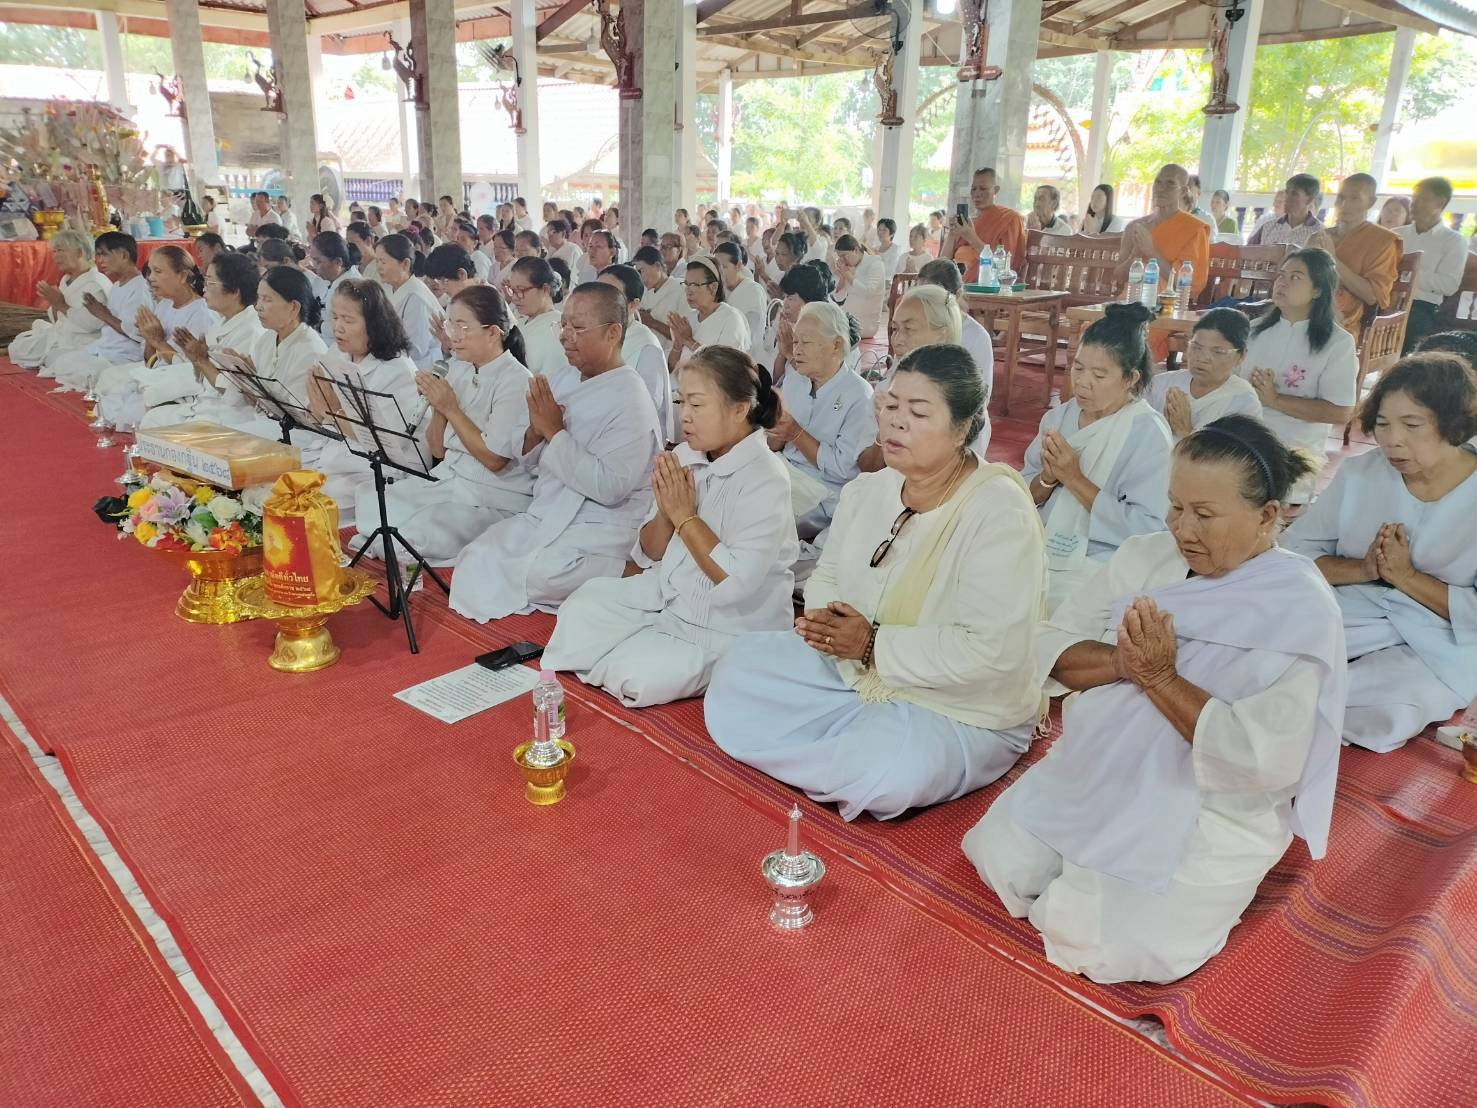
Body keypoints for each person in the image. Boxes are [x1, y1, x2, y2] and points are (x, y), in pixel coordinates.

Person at [964, 416, 1343, 985]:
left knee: (1108, 945)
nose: (1182, 528)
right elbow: (1049, 646)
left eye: (1205, 514)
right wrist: (1124, 664)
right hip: (1098, 767)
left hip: (1205, 802)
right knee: (997, 858)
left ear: (1268, 516)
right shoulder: (1145, 557)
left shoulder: (1300, 608)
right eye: (1175, 506)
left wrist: (1163, 680)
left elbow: (1264, 760)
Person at [708, 343, 1047, 820]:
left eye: (918, 413)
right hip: (853, 669)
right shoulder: (868, 490)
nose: (895, 422)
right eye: (890, 406)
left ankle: (842, 745)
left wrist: (873, 645)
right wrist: (830, 624)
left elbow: (993, 651)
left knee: (886, 774)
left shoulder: (999, 513)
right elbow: (826, 575)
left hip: (956, 705)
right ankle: (837, 743)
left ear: (964, 427)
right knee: (738, 668)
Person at [545, 346, 797, 705]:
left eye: (697, 404)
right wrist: (666, 512)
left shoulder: (766, 477)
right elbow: (650, 553)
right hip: (671, 597)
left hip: (729, 623)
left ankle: (653, 652)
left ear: (739, 410)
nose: (685, 417)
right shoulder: (684, 456)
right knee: (582, 607)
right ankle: (640, 643)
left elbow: (736, 581)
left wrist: (685, 516)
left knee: (637, 675)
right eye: (681, 403)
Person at [1286, 354, 1477, 752]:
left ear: (1454, 424)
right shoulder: (1362, 472)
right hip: (1350, 609)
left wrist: (1407, 578)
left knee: (1391, 707)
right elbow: (1293, 551)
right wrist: (1364, 569)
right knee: (1268, 653)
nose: (1392, 440)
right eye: (1384, 424)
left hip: (1440, 638)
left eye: (1412, 425)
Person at [450, 283, 663, 621]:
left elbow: (610, 488)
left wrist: (554, 431)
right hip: (550, 512)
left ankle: (629, 571)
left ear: (612, 333)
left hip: (601, 523)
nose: (565, 336)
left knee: (541, 574)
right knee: (478, 554)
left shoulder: (632, 399)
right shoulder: (564, 378)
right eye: (562, 325)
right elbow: (528, 459)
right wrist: (536, 432)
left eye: (577, 328)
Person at [357, 285, 534, 564]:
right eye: (451, 326)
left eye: (463, 327)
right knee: (373, 502)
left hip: (492, 495)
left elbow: (495, 460)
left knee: (418, 532)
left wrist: (451, 408)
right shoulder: (458, 368)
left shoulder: (516, 380)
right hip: (451, 480)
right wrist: (438, 406)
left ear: (492, 332)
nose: (454, 336)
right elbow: (438, 450)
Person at [1024, 302, 1172, 611]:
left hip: (1103, 558)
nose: (1082, 382)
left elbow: (1147, 528)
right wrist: (1047, 479)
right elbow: (1021, 494)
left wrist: (1074, 478)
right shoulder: (1059, 417)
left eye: (1099, 375)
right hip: (1038, 542)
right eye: (1078, 368)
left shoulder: (1148, 434)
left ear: (1131, 378)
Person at [297, 280, 420, 524]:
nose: (337, 327)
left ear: (374, 324)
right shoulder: (337, 353)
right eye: (335, 317)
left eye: (348, 320)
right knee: (279, 485)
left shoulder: (398, 371)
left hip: (374, 468)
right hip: (335, 454)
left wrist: (332, 412)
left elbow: (384, 444)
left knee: (311, 507)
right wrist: (317, 408)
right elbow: (321, 414)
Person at [1239, 248, 1358, 499]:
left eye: (1295, 277)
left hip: (1294, 451)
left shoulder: (1337, 343)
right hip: (1242, 439)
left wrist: (1275, 400)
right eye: (1281, 275)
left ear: (1318, 290)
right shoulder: (1253, 330)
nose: (1282, 282)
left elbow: (1340, 412)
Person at [771, 301, 876, 560]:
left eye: (806, 342)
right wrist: (774, 434)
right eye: (795, 342)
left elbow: (844, 469)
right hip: (783, 468)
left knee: (761, 519)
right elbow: (776, 442)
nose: (797, 350)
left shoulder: (859, 395)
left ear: (836, 345)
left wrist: (796, 434)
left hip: (822, 489)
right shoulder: (796, 378)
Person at [137, 251, 266, 428]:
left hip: (229, 415)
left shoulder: (250, 332)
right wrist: (194, 358)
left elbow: (235, 393)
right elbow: (200, 373)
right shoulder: (222, 323)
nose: (204, 287)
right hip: (204, 402)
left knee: (152, 419)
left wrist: (200, 360)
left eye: (210, 282)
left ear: (235, 291)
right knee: (152, 414)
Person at [213, 265, 328, 439]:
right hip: (265, 422)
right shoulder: (267, 339)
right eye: (259, 298)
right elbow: (256, 403)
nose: (258, 306)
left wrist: (257, 383)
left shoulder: (311, 350)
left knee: (229, 437)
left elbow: (299, 417)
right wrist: (247, 378)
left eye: (267, 300)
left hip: (296, 434)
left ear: (293, 307)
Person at [94, 244, 212, 403]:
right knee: (108, 379)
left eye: (158, 271)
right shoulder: (165, 305)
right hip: (156, 372)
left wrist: (158, 341)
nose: (150, 278)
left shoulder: (201, 313)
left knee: (123, 399)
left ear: (182, 276)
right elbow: (150, 362)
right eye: (150, 271)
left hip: (182, 386)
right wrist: (149, 338)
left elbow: (193, 371)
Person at [45, 232, 153, 389]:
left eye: (104, 254)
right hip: (103, 347)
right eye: (98, 255)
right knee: (59, 361)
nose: (100, 260)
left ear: (124, 255)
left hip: (125, 354)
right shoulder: (117, 286)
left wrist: (103, 315)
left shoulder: (140, 288)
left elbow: (137, 333)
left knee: (93, 373)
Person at [1149, 307, 1262, 440]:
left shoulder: (1243, 401)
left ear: (1241, 356)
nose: (1202, 358)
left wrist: (1184, 430)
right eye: (1196, 347)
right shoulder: (1161, 383)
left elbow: (1236, 453)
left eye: (1218, 352)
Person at [9, 230, 111, 370]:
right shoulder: (66, 279)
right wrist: (54, 303)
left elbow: (92, 325)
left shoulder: (95, 283)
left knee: (56, 358)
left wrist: (60, 304)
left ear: (79, 253)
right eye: (54, 251)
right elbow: (59, 320)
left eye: (61, 250)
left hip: (86, 341)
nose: (56, 256)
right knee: (18, 347)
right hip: (64, 336)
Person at [1321, 173, 1402, 342]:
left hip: (1345, 322)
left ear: (1371, 202)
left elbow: (1372, 296)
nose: (1344, 205)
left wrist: (1332, 259)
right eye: (1340, 198)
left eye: (1355, 198)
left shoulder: (1383, 240)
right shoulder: (1322, 236)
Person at [599, 263, 673, 443]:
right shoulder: (594, 334)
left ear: (633, 305)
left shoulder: (646, 347)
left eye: (610, 297)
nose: (598, 303)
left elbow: (647, 408)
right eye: (596, 293)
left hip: (630, 441)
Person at [1115, 164, 1210, 304]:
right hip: (1128, 303)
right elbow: (1119, 277)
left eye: (1170, 183)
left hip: (1167, 307)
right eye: (1158, 182)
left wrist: (1151, 252)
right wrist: (1135, 254)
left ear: (1183, 191)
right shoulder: (1135, 227)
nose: (1160, 188)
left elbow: (1189, 287)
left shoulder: (1194, 229)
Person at [1397, 177, 1467, 352]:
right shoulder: (1396, 235)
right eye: (1414, 198)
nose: (1414, 204)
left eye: (1422, 199)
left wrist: (1407, 275)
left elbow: (1449, 285)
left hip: (1420, 307)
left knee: (1413, 325)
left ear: (1440, 203)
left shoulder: (1453, 241)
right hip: (1385, 300)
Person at [916, 260, 993, 396]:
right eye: (921, 298)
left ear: (957, 295)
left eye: (933, 299)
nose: (926, 306)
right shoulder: (916, 326)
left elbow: (980, 395)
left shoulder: (976, 337)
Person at [667, 256, 750, 372]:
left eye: (695, 285)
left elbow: (727, 368)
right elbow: (671, 368)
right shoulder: (689, 318)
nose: (688, 291)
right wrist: (677, 344)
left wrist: (689, 340)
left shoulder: (731, 318)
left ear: (713, 287)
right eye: (686, 284)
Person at [943, 168, 1027, 280]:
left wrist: (971, 238)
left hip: (986, 284)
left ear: (995, 190)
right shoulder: (968, 222)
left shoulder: (1009, 219)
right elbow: (942, 263)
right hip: (955, 282)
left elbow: (1005, 266)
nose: (977, 194)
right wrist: (952, 234)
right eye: (973, 189)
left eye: (983, 189)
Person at [375, 233, 442, 369]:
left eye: (383, 262)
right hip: (394, 359)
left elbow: (416, 350)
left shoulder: (416, 297)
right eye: (377, 261)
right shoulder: (388, 287)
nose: (378, 267)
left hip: (419, 368)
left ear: (405, 264)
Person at [504, 256, 569, 379]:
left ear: (545, 289)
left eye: (521, 290)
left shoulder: (558, 328)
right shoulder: (522, 321)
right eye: (512, 290)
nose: (515, 298)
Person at [713, 241, 768, 363]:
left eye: (724, 267)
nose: (718, 273)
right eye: (716, 268)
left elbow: (750, 335)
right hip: (722, 354)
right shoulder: (721, 289)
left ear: (738, 265)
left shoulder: (753, 291)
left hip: (746, 359)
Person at [307, 231, 361, 346]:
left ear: (338, 262)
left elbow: (346, 326)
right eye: (313, 260)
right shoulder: (333, 279)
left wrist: (319, 325)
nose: (314, 266)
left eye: (318, 261)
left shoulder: (349, 288)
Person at [831, 234, 886, 340]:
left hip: (865, 323)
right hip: (847, 318)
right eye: (839, 257)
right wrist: (843, 276)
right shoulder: (849, 267)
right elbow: (838, 297)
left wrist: (848, 274)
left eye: (844, 255)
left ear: (856, 250)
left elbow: (868, 293)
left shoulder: (875, 264)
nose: (842, 260)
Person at [1248, 174, 1325, 248]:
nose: (1287, 197)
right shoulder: (1268, 227)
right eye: (1287, 192)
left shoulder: (1320, 234)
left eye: (1294, 194)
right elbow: (1248, 252)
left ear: (1309, 200)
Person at [873, 218, 904, 283]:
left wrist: (877, 257)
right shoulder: (875, 248)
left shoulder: (896, 249)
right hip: (873, 280)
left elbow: (890, 271)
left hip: (888, 283)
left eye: (884, 230)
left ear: (892, 233)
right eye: (879, 229)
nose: (880, 232)